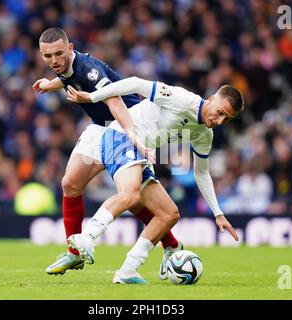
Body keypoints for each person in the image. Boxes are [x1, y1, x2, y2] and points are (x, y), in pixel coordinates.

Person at [32, 28, 182, 278]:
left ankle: (171, 246)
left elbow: (114, 101)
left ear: (70, 49)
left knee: (135, 199)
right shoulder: (65, 67)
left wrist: (132, 135)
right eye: (47, 56)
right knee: (70, 183)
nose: (54, 61)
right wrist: (51, 85)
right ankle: (75, 251)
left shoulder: (90, 69)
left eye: (59, 54)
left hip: (127, 125)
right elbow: (67, 76)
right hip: (100, 129)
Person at [65, 76, 243, 283]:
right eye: (220, 113)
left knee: (169, 215)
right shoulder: (182, 99)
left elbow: (201, 172)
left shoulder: (204, 134)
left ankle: (127, 271)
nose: (220, 121)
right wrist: (92, 96)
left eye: (227, 119)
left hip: (141, 154)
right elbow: (136, 83)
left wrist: (218, 213)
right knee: (130, 194)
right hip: (121, 135)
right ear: (211, 99)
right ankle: (86, 238)